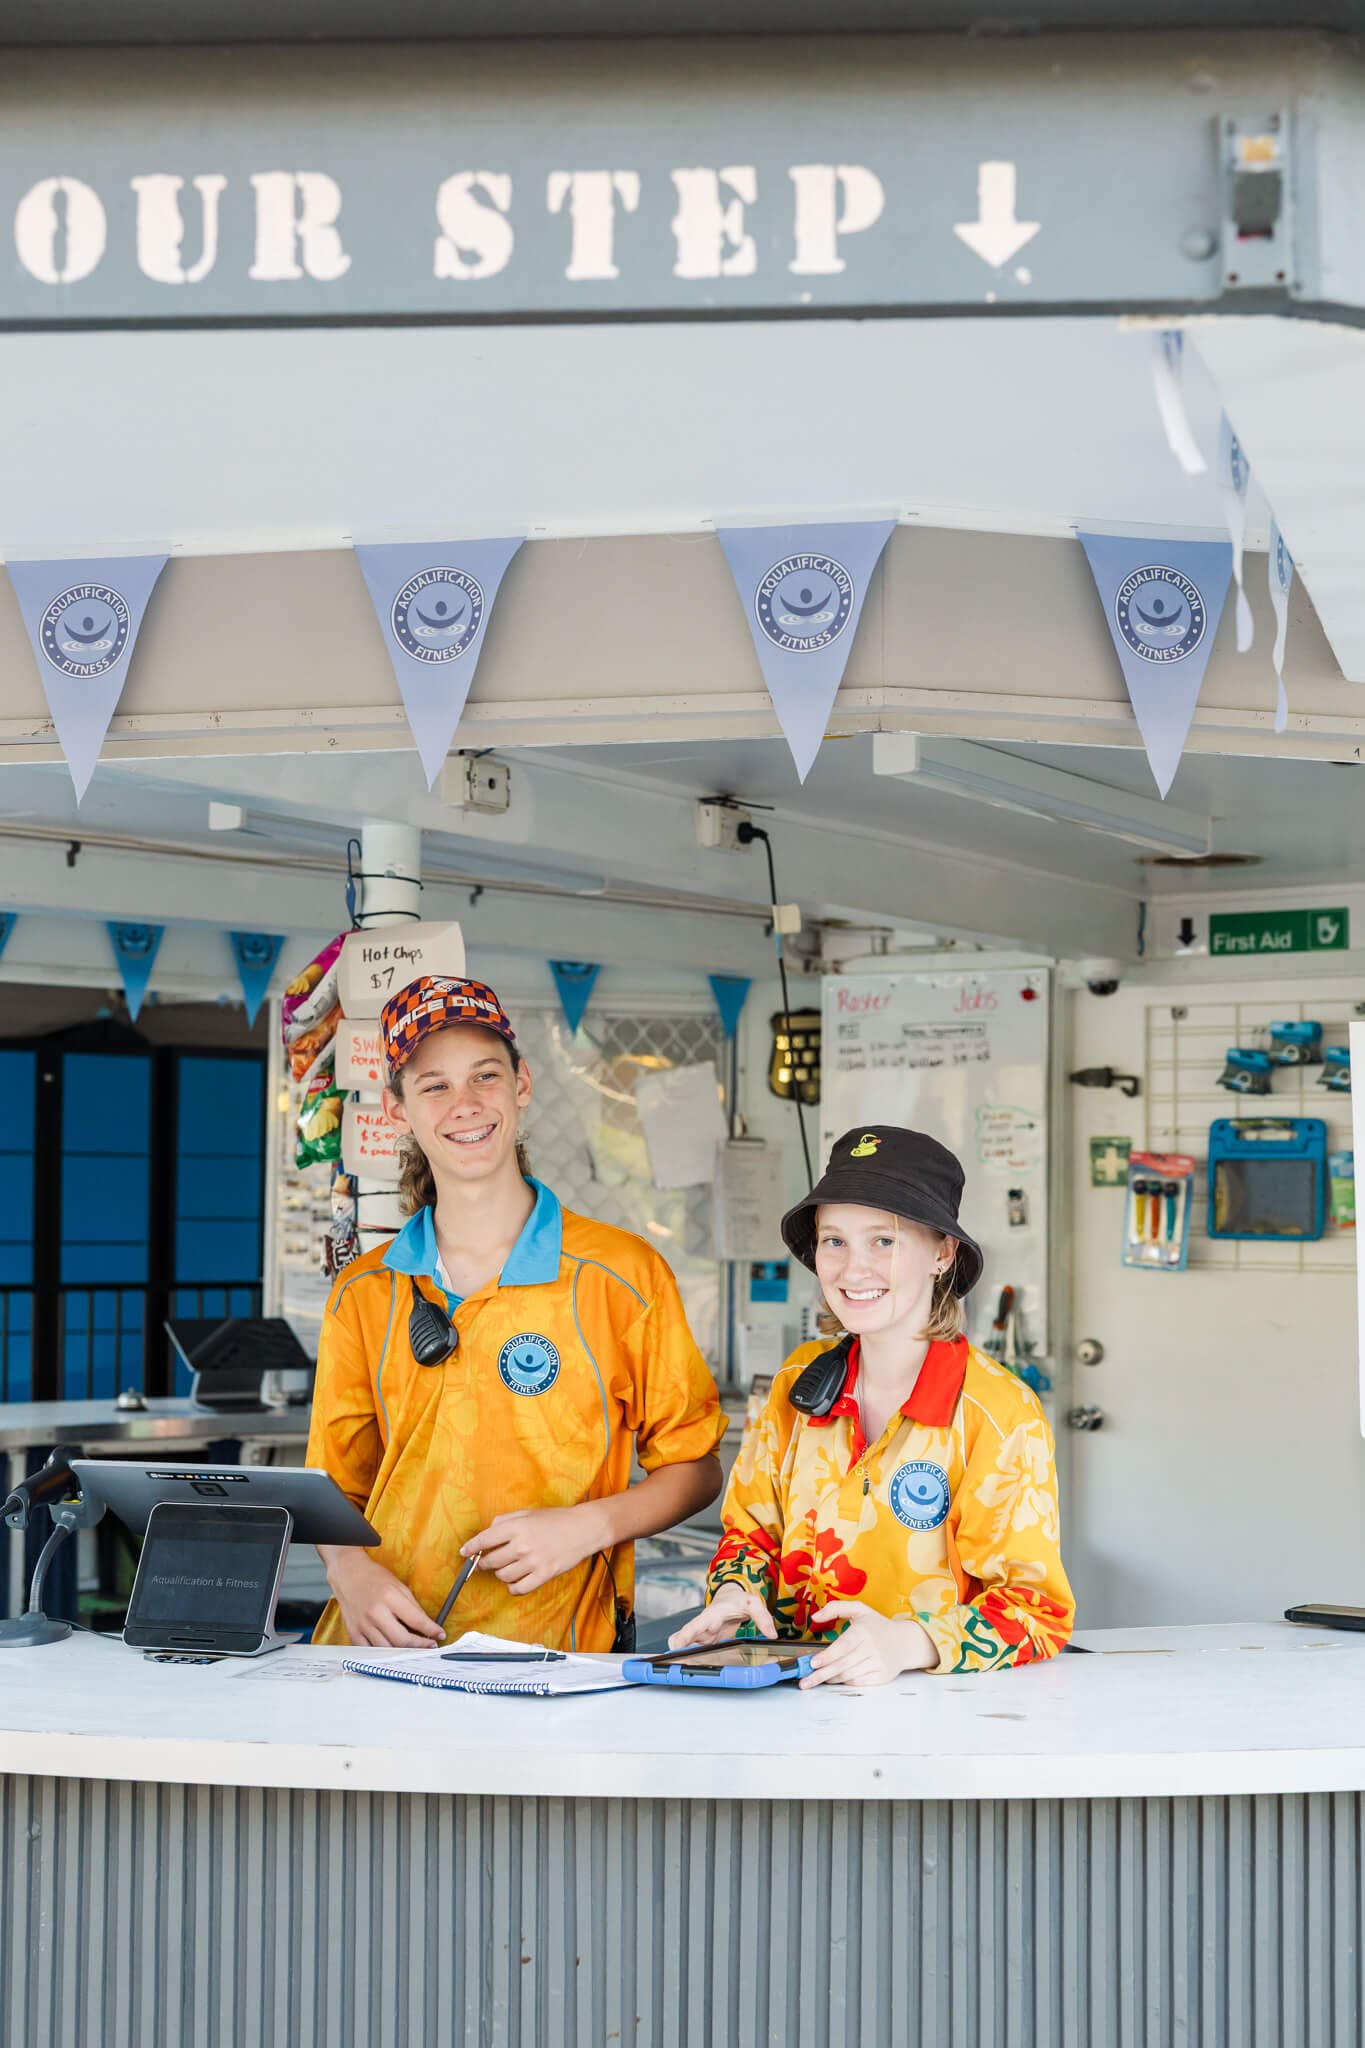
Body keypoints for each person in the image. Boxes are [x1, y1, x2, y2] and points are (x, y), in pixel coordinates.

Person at [307, 973, 726, 1652]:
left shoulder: (619, 1274)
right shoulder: (364, 1289)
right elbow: (334, 1487)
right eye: (433, 1085)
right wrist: (349, 1569)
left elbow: (696, 1468)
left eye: (485, 1076)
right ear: (396, 1112)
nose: (464, 1104)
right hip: (382, 1651)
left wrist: (587, 1526)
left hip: (561, 1653)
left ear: (522, 1084)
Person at [671, 1125, 1073, 1687]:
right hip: (788, 1703)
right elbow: (751, 1535)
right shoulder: (797, 1382)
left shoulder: (998, 1414)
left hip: (941, 1717)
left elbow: (1035, 1611)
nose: (853, 1269)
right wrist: (737, 1593)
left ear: (943, 1253)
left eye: (884, 1241)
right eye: (834, 1241)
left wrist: (907, 1644)